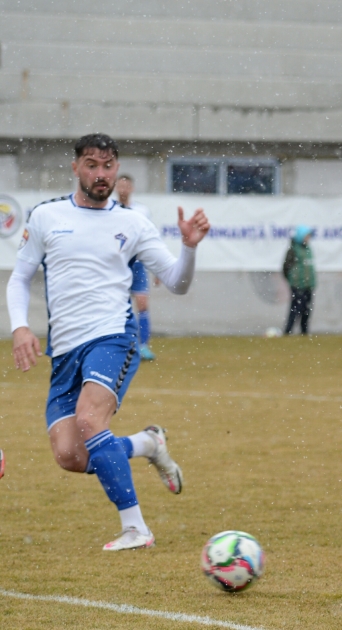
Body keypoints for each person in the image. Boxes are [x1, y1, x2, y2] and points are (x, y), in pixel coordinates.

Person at [6, 133, 209, 551]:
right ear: (76, 167)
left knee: (89, 420)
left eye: (109, 166)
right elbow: (20, 277)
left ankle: (136, 528)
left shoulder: (133, 224)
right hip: (64, 351)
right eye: (93, 165)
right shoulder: (47, 216)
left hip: (113, 338)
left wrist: (188, 249)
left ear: (117, 169)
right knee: (70, 456)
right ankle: (147, 443)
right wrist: (20, 327)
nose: (102, 174)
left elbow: (177, 283)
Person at [115, 174, 157, 361]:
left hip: (137, 263)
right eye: (120, 186)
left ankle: (143, 346)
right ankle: (120, 346)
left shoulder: (142, 211)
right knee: (117, 307)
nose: (123, 189)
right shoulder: (110, 209)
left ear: (131, 188)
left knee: (142, 304)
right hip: (117, 264)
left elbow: (151, 240)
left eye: (126, 186)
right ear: (116, 188)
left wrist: (157, 268)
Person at [283, 225, 316, 336]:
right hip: (297, 286)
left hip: (308, 285)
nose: (308, 238)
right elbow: (286, 267)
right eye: (306, 236)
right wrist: (293, 280)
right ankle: (288, 331)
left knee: (306, 310)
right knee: (295, 310)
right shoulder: (293, 250)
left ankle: (304, 332)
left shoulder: (308, 249)